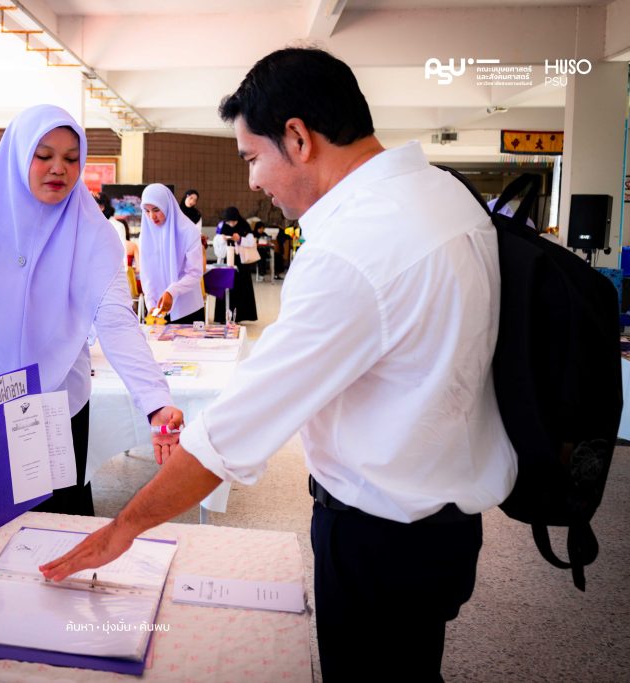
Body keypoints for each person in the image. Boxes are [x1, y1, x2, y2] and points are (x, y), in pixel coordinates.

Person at [40, 47, 517, 681]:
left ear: (298, 138)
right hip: (446, 524)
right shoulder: (444, 194)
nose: (253, 182)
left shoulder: (351, 249)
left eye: (251, 158)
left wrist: (121, 528)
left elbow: (234, 432)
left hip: (378, 536)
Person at [0, 104, 184, 516]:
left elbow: (114, 319)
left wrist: (155, 400)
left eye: (72, 159)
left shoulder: (91, 231)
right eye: (44, 155)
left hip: (54, 404)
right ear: (19, 155)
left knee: (55, 529)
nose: (59, 169)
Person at [139, 183, 205, 324]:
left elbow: (195, 272)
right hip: (158, 309)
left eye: (156, 209)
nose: (152, 216)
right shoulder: (146, 235)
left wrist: (171, 292)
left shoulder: (189, 231)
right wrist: (150, 303)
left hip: (187, 309)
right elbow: (147, 274)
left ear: (167, 205)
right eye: (146, 211)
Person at [213, 206, 258, 322]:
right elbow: (216, 240)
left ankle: (238, 316)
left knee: (239, 287)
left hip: (241, 263)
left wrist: (240, 239)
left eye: (234, 221)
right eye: (229, 222)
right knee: (225, 287)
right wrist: (221, 239)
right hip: (226, 260)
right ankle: (222, 316)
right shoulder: (222, 225)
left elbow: (251, 242)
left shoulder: (244, 225)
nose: (231, 224)